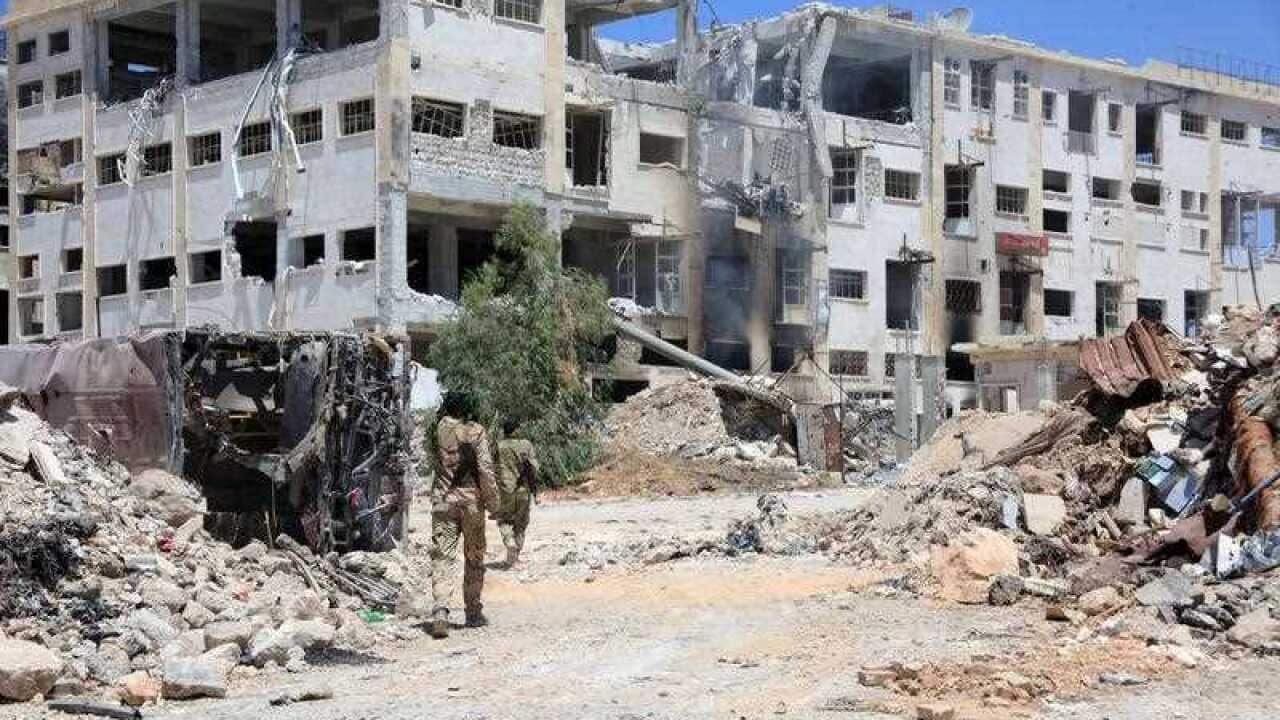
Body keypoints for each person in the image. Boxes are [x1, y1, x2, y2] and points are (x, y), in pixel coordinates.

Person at [428, 398, 499, 639]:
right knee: (474, 556)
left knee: (442, 555)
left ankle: (440, 610)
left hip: (443, 501)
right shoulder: (476, 431)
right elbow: (485, 469)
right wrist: (493, 503)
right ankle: (473, 612)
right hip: (471, 503)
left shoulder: (439, 428)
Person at [496, 435, 540, 568]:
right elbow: (532, 469)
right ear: (516, 430)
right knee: (521, 523)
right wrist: (535, 492)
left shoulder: (498, 446)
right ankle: (515, 558)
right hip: (523, 490)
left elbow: (489, 468)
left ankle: (509, 542)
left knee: (504, 520)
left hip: (505, 490)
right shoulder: (526, 445)